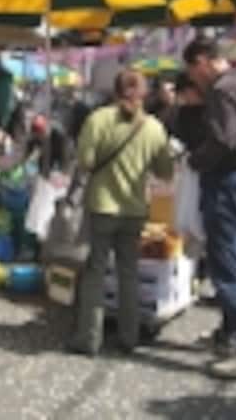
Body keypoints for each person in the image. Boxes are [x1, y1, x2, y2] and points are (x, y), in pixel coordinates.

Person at [68, 69, 174, 356]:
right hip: (135, 209)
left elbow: (86, 161)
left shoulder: (98, 119)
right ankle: (129, 336)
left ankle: (88, 338)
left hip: (102, 206)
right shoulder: (154, 128)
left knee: (95, 271)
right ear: (144, 94)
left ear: (115, 90)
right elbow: (165, 171)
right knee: (128, 271)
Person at [183, 38, 236, 380]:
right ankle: (228, 336)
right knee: (234, 263)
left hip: (228, 186)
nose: (194, 78)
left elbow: (223, 141)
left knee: (228, 273)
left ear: (203, 61)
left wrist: (194, 159)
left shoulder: (221, 90)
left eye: (192, 69)